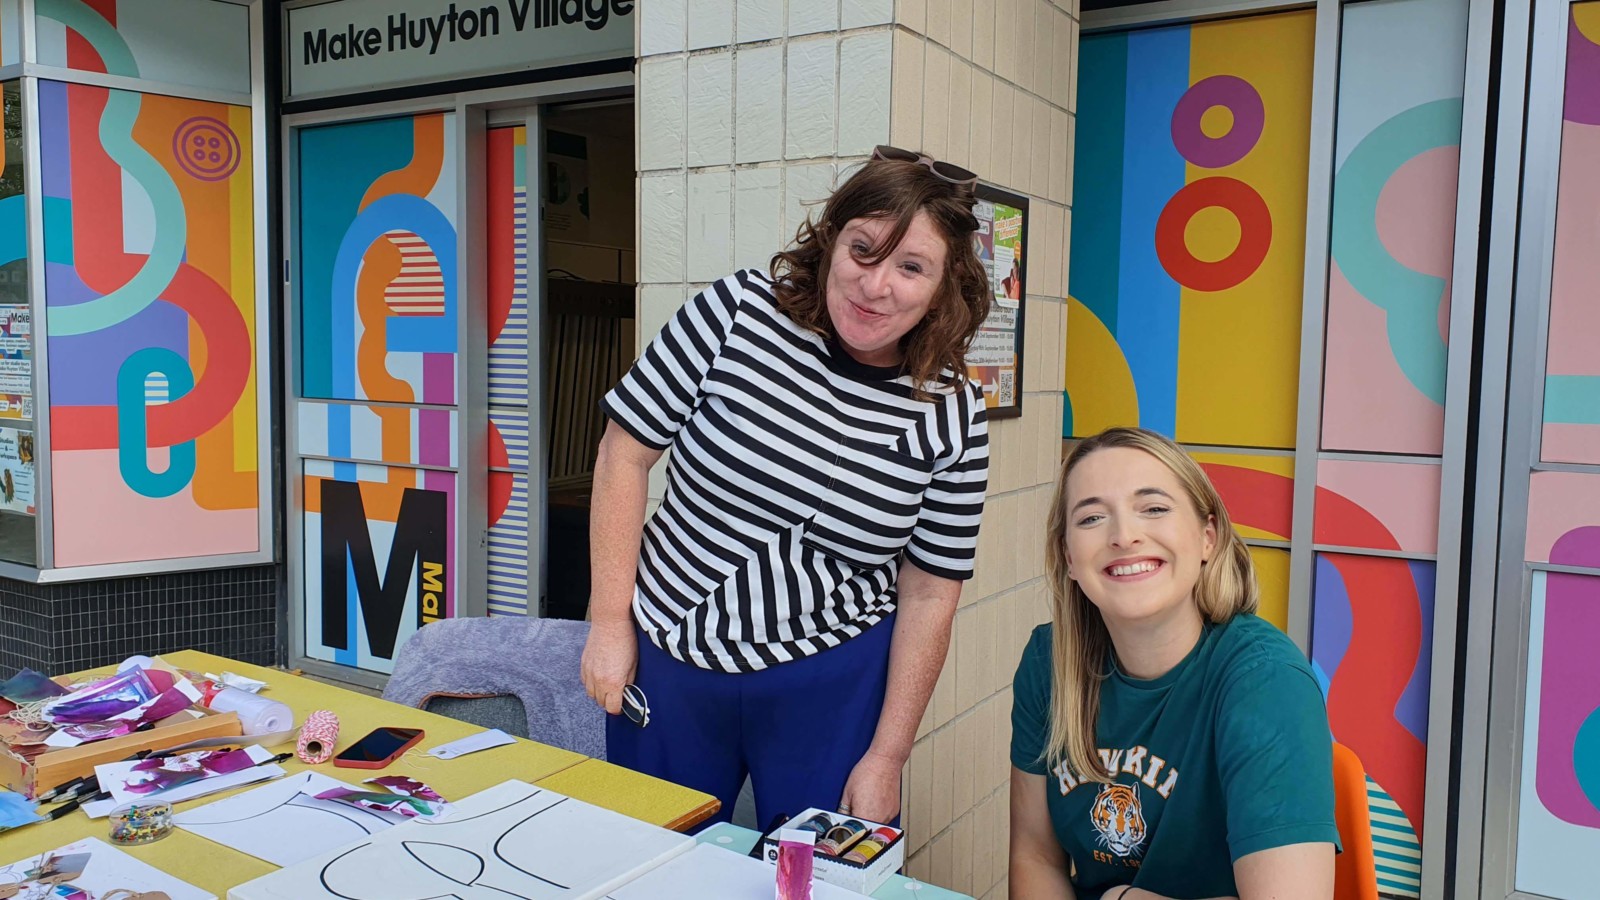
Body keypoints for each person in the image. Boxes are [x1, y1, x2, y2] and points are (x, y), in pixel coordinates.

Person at [581, 146, 993, 829]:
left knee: (820, 880)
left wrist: (888, 754)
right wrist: (608, 621)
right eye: (863, 250)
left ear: (943, 286)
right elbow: (623, 455)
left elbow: (930, 593)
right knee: (652, 861)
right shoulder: (736, 313)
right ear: (830, 241)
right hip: (671, 653)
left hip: (832, 680)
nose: (877, 285)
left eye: (911, 267)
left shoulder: (954, 411)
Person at [1009, 427, 1339, 899]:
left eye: (1154, 508)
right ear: (1068, 558)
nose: (1124, 536)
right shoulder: (1048, 661)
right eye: (1091, 518)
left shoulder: (1266, 683)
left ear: (1208, 537)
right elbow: (1035, 856)